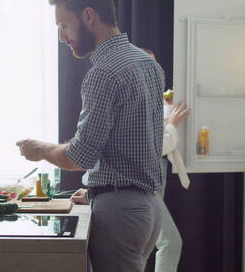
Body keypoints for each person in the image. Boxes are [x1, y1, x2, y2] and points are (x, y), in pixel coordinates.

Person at [16, 0, 164, 272]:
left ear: (88, 16)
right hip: (148, 208)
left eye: (63, 25)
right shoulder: (148, 64)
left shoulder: (103, 73)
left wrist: (41, 149)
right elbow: (135, 145)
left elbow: (79, 156)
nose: (62, 37)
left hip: (121, 213)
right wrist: (98, 189)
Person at [74, 50, 191, 272]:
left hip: (151, 181)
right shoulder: (130, 98)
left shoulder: (152, 102)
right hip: (139, 183)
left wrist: (168, 113)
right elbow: (156, 144)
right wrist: (172, 124)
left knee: (142, 248)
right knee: (168, 241)